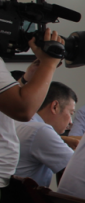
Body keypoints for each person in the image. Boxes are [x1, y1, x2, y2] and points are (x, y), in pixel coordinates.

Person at [0, 28, 65, 189]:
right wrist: (49, 62)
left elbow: (6, 104)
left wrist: (25, 79)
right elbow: (23, 109)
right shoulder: (40, 130)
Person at [14, 81, 77, 187]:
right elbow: (78, 167)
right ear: (55, 106)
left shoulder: (20, 121)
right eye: (71, 113)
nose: (71, 121)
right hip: (28, 197)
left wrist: (63, 139)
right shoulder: (41, 131)